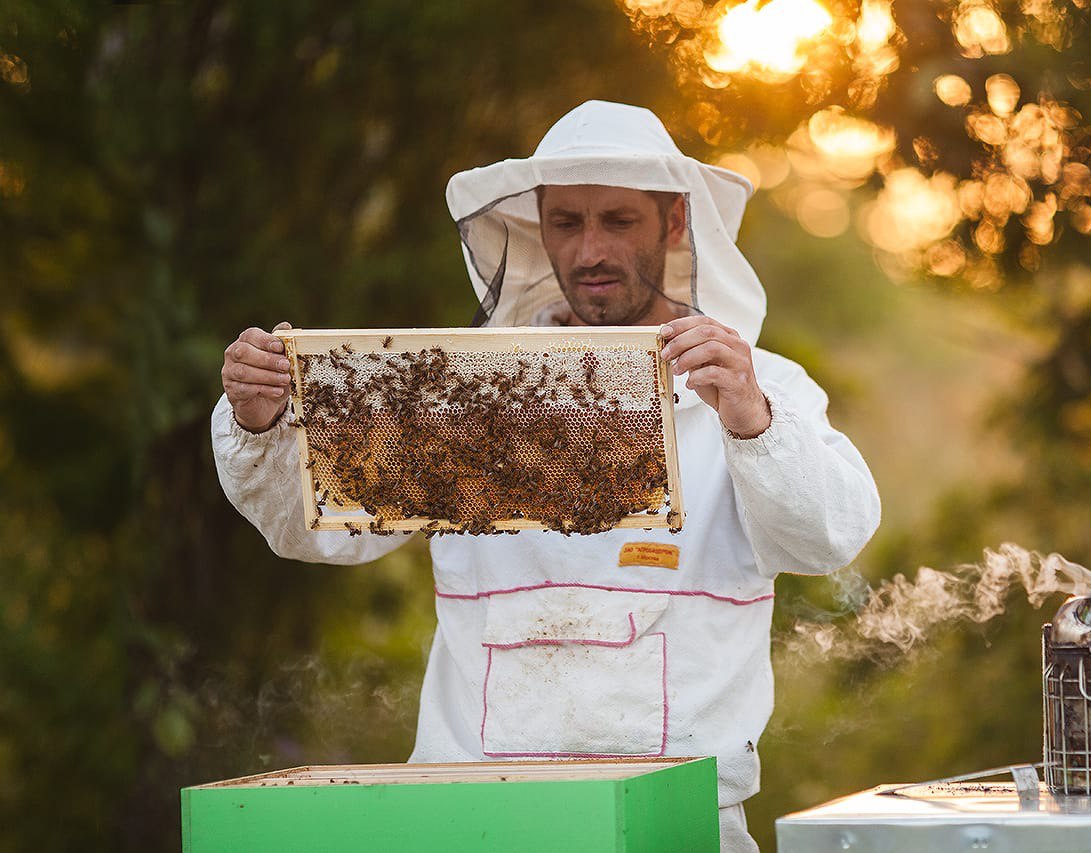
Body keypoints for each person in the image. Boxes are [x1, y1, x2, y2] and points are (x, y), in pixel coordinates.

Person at [212, 100, 880, 852]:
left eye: (618, 220)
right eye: (566, 222)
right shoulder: (464, 395)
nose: (590, 248)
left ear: (675, 223)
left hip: (679, 828)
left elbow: (829, 536)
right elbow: (316, 532)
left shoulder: (758, 385)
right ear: (538, 227)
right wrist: (261, 423)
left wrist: (752, 420)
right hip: (473, 824)